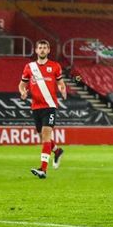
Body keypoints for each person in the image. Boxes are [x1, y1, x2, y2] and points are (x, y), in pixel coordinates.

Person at [19, 40, 67, 179]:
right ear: (36, 50)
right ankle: (57, 151)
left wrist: (63, 89)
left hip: (50, 106)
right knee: (42, 137)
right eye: (40, 47)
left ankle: (43, 169)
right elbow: (22, 85)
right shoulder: (29, 67)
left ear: (48, 50)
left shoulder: (55, 66)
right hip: (36, 107)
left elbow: (61, 83)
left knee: (46, 136)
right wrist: (22, 92)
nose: (42, 50)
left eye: (45, 48)